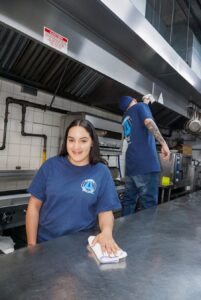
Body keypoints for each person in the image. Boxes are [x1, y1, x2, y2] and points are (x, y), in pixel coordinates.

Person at [26, 119, 121, 255]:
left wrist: (106, 232)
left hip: (81, 247)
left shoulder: (101, 171)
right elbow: (34, 206)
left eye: (83, 140)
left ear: (92, 142)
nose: (76, 147)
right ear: (66, 142)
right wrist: (31, 244)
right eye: (71, 140)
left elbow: (105, 211)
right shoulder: (50, 166)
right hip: (46, 245)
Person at [119, 95, 170, 216]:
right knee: (148, 205)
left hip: (131, 167)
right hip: (146, 164)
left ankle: (124, 233)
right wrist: (163, 143)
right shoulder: (140, 107)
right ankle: (146, 235)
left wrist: (145, 104)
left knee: (128, 202)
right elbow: (148, 122)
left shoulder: (125, 117)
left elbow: (138, 126)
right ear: (134, 101)